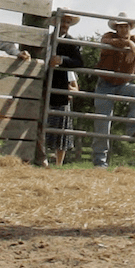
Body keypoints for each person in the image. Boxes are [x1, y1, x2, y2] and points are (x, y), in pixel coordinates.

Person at [91, 12, 135, 168]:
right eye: (120, 26)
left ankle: (134, 129)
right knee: (103, 122)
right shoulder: (110, 36)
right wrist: (128, 45)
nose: (123, 29)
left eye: (126, 26)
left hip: (123, 85)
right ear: (116, 28)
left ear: (130, 27)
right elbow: (106, 41)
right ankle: (99, 162)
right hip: (105, 84)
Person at [45, 14, 85, 167]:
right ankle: (40, 158)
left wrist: (62, 60)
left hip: (59, 85)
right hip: (40, 81)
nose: (65, 24)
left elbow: (78, 62)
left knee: (60, 127)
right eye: (63, 21)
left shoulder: (70, 42)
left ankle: (58, 164)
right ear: (55, 22)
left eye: (68, 22)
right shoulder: (44, 38)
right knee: (41, 122)